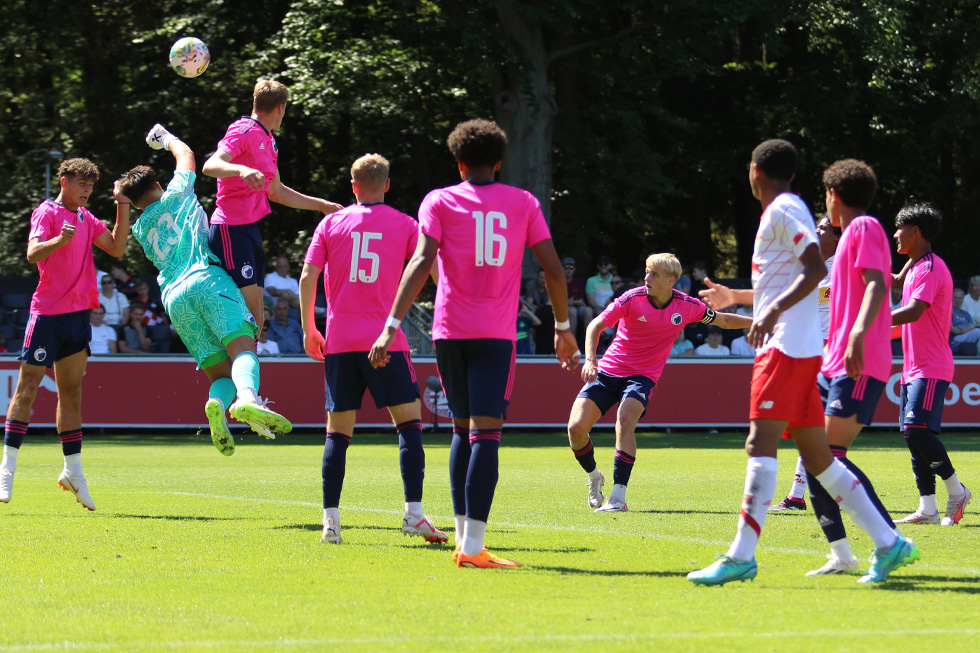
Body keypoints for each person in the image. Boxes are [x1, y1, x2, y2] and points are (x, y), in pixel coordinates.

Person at [688, 142, 916, 586]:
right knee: (819, 458)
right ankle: (890, 543)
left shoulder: (784, 209)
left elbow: (813, 270)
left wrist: (771, 315)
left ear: (755, 171)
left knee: (761, 443)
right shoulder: (788, 213)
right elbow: (807, 278)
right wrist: (737, 297)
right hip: (805, 348)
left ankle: (741, 555)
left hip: (786, 347)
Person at [369, 118, 579, 569]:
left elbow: (422, 262)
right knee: (486, 434)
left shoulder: (438, 200)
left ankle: (466, 538)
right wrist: (562, 326)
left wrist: (392, 323)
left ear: (459, 161)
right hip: (495, 336)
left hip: (448, 332)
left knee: (461, 431)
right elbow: (554, 270)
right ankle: (472, 547)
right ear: (499, 161)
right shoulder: (522, 202)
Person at [299, 152, 448, 546]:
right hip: (386, 340)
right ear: (386, 185)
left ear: (352, 187)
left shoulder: (331, 223)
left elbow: (307, 275)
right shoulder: (404, 224)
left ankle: (330, 521)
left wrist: (309, 328)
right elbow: (432, 264)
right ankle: (413, 514)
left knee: (338, 433)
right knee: (410, 425)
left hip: (341, 341)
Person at [118, 124, 293, 455]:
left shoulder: (140, 227)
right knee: (244, 349)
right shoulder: (177, 193)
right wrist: (165, 138)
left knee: (219, 372)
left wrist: (121, 201)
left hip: (173, 298)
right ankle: (248, 399)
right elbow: (187, 155)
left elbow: (124, 225)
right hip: (205, 279)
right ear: (158, 185)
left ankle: (217, 404)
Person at [568, 253, 751, 512]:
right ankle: (594, 477)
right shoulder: (631, 298)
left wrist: (760, 322)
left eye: (654, 274)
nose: (646, 278)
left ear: (671, 280)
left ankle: (618, 498)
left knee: (626, 419)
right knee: (576, 429)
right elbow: (595, 325)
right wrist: (590, 360)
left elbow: (724, 319)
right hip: (608, 371)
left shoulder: (687, 305)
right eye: (646, 272)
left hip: (642, 377)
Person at [1, 157, 131, 511]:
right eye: (81, 184)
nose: (87, 190)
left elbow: (117, 248)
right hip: (47, 315)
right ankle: (7, 468)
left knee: (71, 393)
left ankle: (73, 471)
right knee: (26, 389)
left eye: (91, 186)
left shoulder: (86, 218)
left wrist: (122, 204)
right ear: (64, 182)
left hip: (77, 317)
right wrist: (59, 238)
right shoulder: (47, 212)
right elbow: (31, 253)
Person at [202, 79, 342, 333]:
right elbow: (210, 166)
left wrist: (321, 205)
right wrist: (241, 169)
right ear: (280, 108)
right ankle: (231, 369)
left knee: (257, 319)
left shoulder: (268, 140)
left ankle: (242, 370)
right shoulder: (242, 131)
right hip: (229, 230)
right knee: (249, 317)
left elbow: (276, 192)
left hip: (249, 231)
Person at [889, 203, 971, 525]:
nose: (895, 234)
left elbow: (913, 312)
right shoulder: (915, 266)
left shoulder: (930, 268)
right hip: (913, 368)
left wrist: (870, 321)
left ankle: (957, 490)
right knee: (912, 436)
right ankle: (927, 510)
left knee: (915, 429)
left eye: (899, 228)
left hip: (931, 367)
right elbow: (897, 287)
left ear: (915, 231)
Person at [770, 215, 842, 512]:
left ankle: (802, 495)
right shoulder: (812, 267)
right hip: (809, 351)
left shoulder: (842, 267)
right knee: (808, 424)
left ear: (838, 238)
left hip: (829, 353)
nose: (815, 231)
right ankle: (801, 495)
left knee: (811, 425)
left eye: (823, 228)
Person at [950, 288, 980, 354]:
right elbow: (953, 330)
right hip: (955, 339)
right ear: (951, 298)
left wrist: (963, 329)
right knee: (978, 332)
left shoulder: (965, 314)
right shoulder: (948, 312)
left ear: (962, 300)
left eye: (960, 298)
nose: (958, 300)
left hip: (966, 337)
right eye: (955, 298)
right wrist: (964, 330)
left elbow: (972, 326)